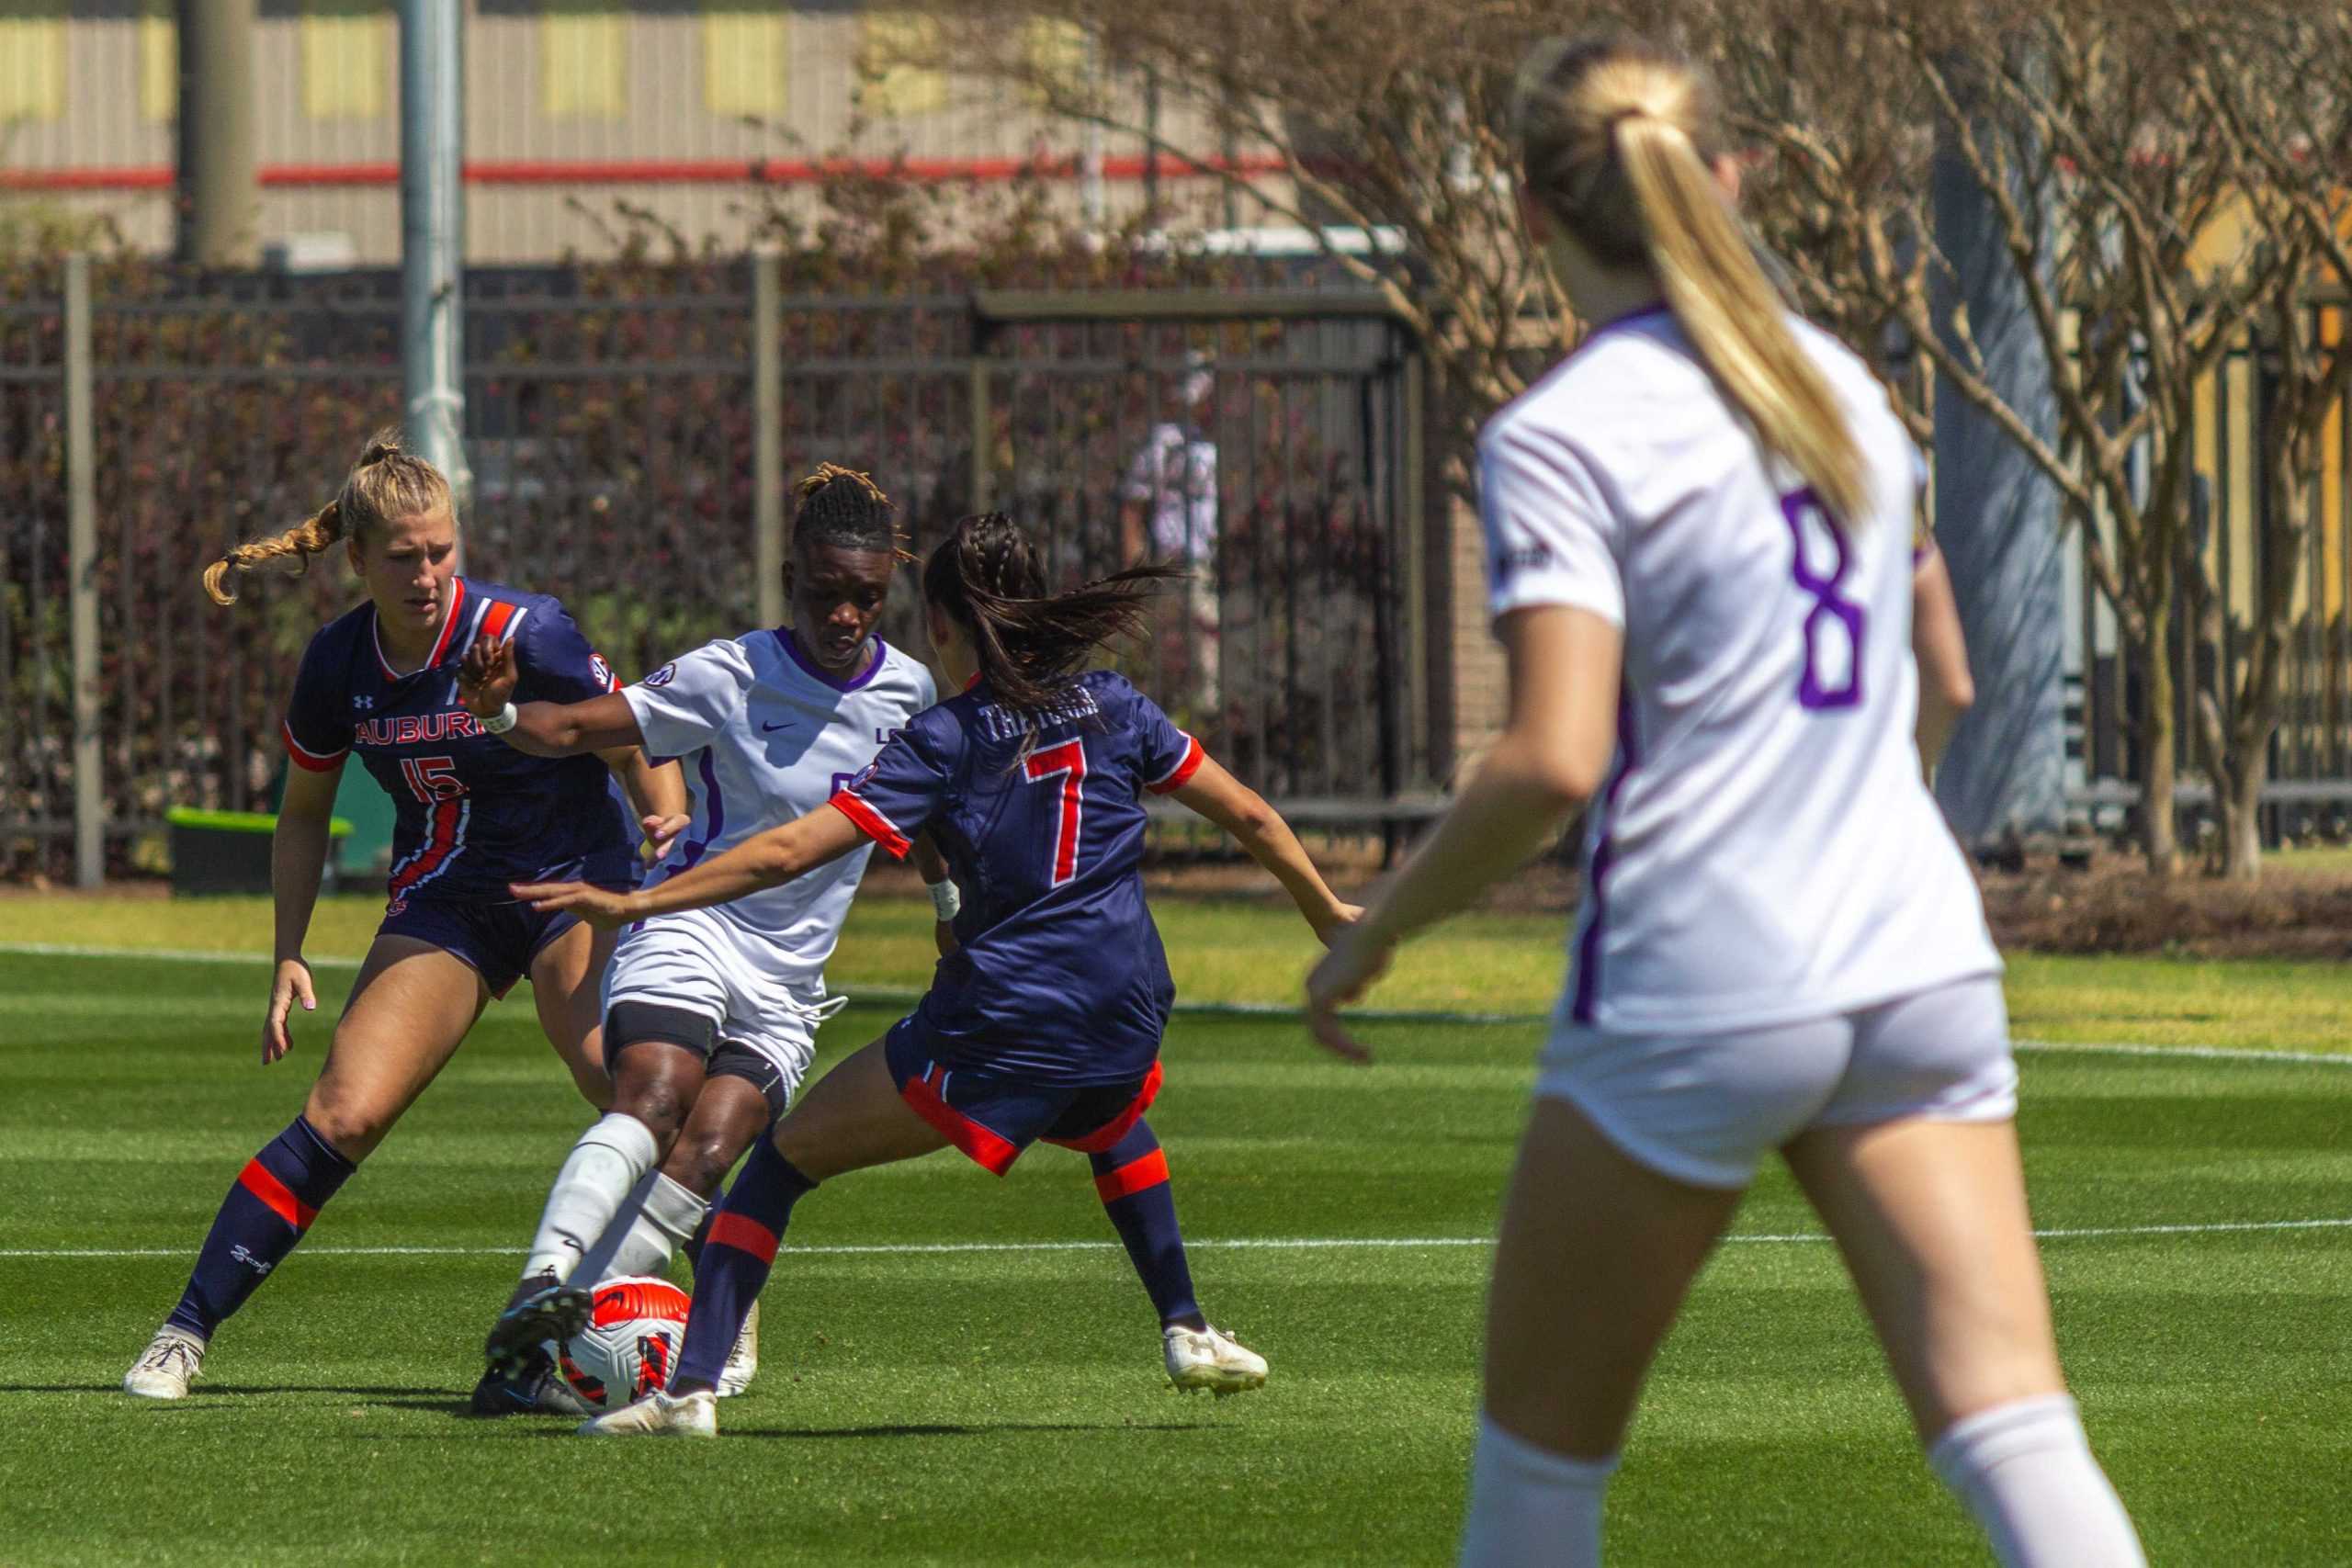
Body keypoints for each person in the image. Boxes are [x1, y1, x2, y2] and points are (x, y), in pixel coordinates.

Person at [1305, 38, 2143, 1568]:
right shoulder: (1837, 386)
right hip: (1917, 957)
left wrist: (1373, 934)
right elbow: (1943, 676)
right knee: (2019, 1433)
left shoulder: (1557, 432)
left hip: (1701, 971)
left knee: (1536, 1491)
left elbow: (1552, 757)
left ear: (1529, 201)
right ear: (1733, 174)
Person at [515, 512, 1362, 1437]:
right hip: (1127, 1008)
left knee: (774, 1168)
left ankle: (690, 1392)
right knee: (1110, 1116)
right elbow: (1246, 811)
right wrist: (1327, 914)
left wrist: (637, 905)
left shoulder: (946, 737)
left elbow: (786, 851)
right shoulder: (1116, 705)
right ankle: (1187, 1327)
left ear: (943, 621)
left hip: (1004, 1020)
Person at [123, 431, 686, 1402]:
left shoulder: (526, 631)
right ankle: (184, 1332)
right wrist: (287, 953)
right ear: (357, 560)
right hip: (448, 899)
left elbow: (640, 734)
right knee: (345, 1112)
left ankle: (713, 1312)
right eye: (402, 556)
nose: (426, 574)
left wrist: (664, 818)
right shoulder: (337, 661)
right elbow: (301, 817)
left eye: (441, 551)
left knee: (618, 1078)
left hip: (571, 878)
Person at [458, 464, 943, 1414]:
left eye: (868, 599)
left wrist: (953, 913)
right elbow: (576, 730)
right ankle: (543, 1282)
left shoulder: (911, 693)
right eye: (827, 592)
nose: (846, 616)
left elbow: (928, 823)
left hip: (788, 983)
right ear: (788, 574)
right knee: (655, 1093)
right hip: (689, 925)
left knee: (716, 1146)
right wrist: (500, 712)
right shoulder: (731, 672)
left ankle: (553, 1338)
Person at [1119, 352, 1222, 720]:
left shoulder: (1219, 442)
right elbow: (1134, 503)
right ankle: (1181, 714)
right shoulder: (1164, 441)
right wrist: (1134, 563)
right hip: (1175, 556)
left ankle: (1206, 714)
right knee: (1179, 642)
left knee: (1207, 644)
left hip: (1210, 557)